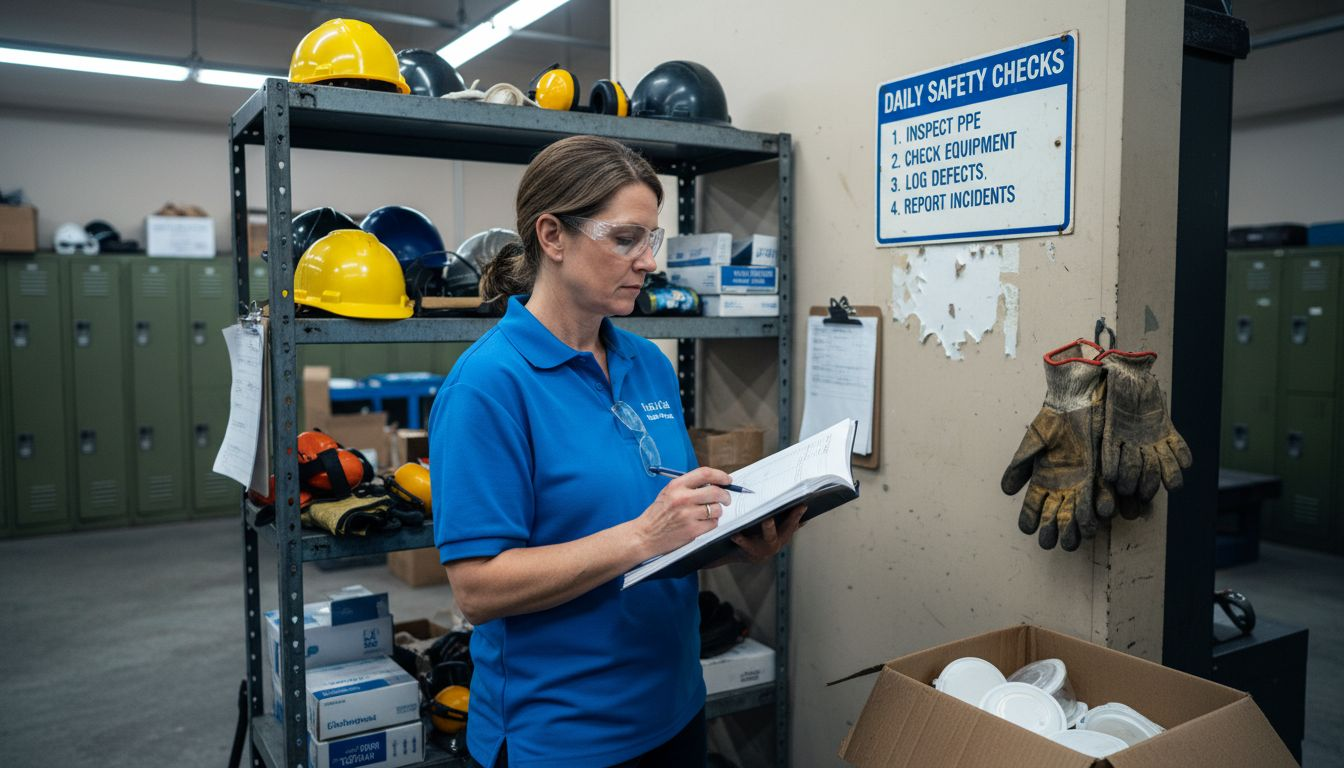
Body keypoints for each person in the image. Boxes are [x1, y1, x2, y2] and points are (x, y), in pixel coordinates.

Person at [427, 134, 805, 768]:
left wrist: (732, 540)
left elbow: (660, 537)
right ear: (553, 236)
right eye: (626, 239)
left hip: (674, 707)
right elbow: (478, 588)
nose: (648, 262)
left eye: (651, 239)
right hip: (562, 737)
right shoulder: (487, 386)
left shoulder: (647, 363)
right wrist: (643, 535)